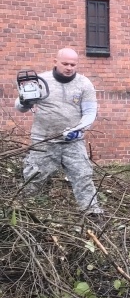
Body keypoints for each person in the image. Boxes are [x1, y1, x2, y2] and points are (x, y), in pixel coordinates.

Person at [15, 48, 104, 215]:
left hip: (73, 142)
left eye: (73, 64)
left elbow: (90, 113)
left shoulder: (84, 84)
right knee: (34, 176)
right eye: (65, 63)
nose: (69, 67)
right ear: (55, 62)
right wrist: (24, 102)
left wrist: (79, 129)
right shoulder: (40, 81)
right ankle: (28, 212)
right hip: (44, 140)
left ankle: (92, 213)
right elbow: (19, 107)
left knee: (83, 176)